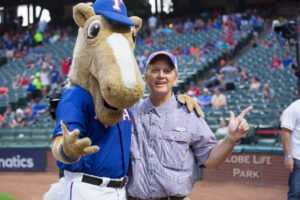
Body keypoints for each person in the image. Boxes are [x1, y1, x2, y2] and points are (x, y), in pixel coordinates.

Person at [127, 51, 251, 199]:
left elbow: (210, 160)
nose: (161, 75)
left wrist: (231, 139)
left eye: (167, 71)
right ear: (146, 77)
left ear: (176, 78)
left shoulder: (189, 113)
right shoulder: (131, 113)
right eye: (155, 70)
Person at [281, 99, 300, 200]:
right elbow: (286, 132)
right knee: (295, 194)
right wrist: (288, 156)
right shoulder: (294, 108)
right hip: (298, 158)